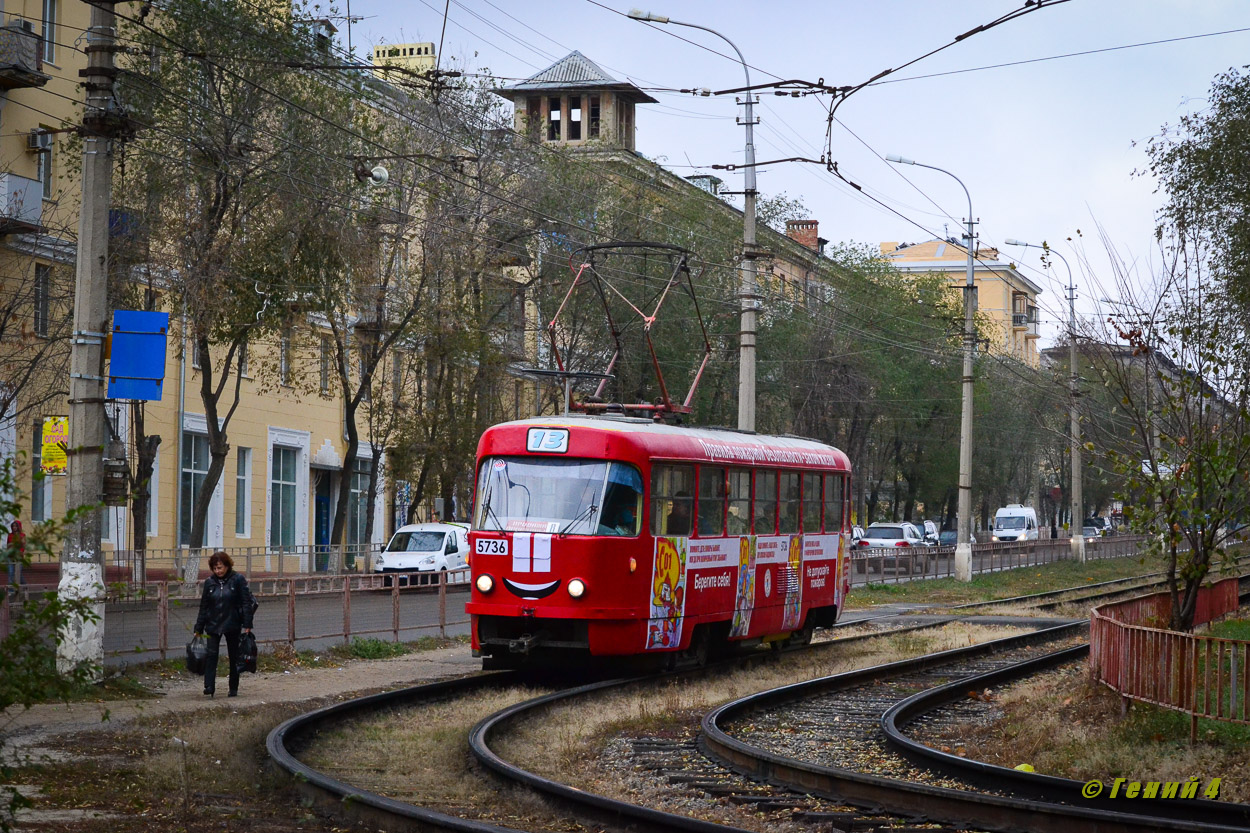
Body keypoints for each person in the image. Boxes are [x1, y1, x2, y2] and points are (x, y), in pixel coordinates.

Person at [193, 551, 256, 698]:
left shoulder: (238, 579)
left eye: (220, 567)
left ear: (227, 566)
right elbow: (204, 606)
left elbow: (246, 602)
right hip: (212, 624)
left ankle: (233, 688)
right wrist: (198, 628)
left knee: (234, 656)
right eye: (215, 568)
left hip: (232, 623)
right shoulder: (210, 583)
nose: (218, 571)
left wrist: (247, 624)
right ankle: (209, 686)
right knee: (211, 655)